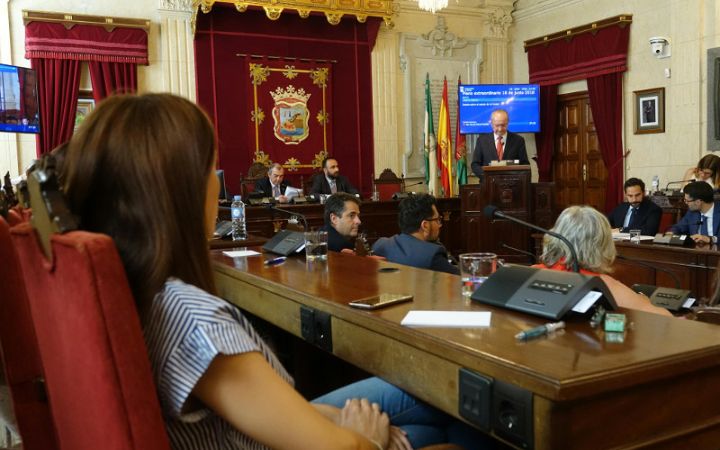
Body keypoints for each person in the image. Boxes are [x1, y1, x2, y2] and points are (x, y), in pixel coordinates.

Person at [62, 93, 492, 450]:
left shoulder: (133, 286)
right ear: (182, 189)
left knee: (429, 429)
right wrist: (363, 438)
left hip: (262, 429)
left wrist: (352, 427)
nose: (217, 182)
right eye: (210, 168)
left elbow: (272, 408)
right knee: (455, 401)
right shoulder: (194, 318)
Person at [534, 206, 672, 317]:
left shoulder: (533, 272)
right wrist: (644, 302)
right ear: (601, 244)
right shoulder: (601, 285)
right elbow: (666, 319)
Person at [372, 194, 459, 275]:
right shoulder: (432, 256)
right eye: (437, 220)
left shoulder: (380, 245)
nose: (440, 225)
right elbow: (464, 281)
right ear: (425, 225)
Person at [470, 109, 529, 180]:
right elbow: (475, 164)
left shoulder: (518, 140)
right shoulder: (482, 140)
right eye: (497, 125)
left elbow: (525, 164)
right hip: (488, 185)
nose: (500, 129)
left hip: (512, 185)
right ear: (491, 123)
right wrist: (488, 176)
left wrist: (515, 177)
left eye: (503, 125)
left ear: (507, 123)